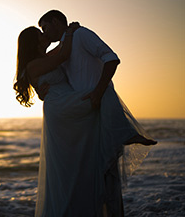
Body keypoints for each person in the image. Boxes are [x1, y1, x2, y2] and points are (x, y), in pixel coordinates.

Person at [13, 14, 156, 216]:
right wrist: (70, 32)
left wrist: (67, 35)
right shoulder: (35, 64)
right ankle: (124, 133)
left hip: (63, 104)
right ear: (33, 42)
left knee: (77, 160)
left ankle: (90, 194)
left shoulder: (45, 58)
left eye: (44, 30)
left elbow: (59, 54)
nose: (44, 35)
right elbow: (63, 56)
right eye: (40, 34)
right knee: (103, 89)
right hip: (61, 106)